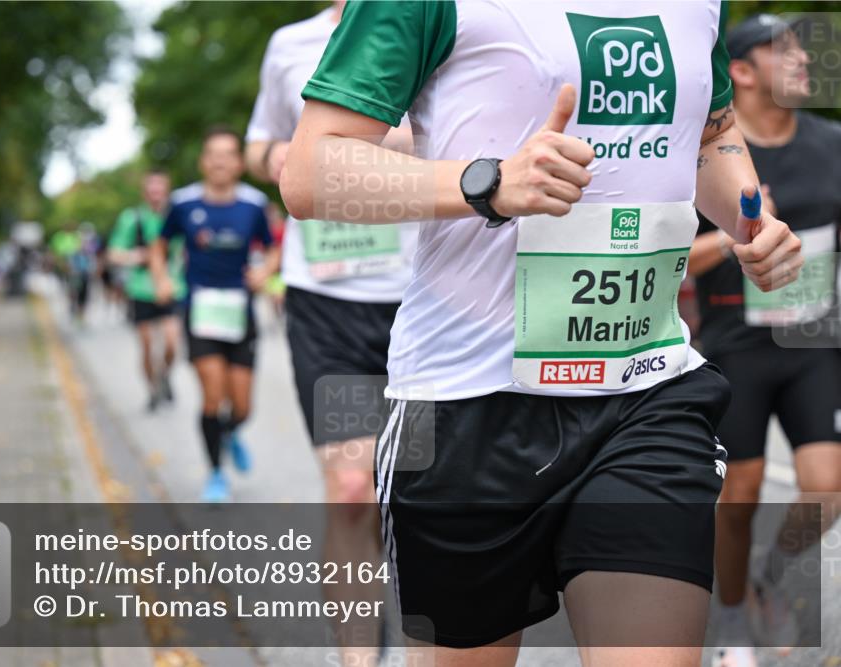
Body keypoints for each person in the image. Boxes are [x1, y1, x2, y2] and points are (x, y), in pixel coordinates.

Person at [280, 1, 805, 665]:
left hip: (646, 388)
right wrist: (488, 183)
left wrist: (749, 220)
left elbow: (709, 135)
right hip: (468, 400)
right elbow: (309, 174)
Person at [245, 6, 416, 657]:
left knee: (410, 487)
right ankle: (358, 653)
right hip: (328, 297)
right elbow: (260, 140)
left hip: (421, 297)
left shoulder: (433, 24)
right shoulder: (292, 43)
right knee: (351, 488)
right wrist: (285, 154)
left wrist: (345, 150)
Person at [686, 14, 841, 667]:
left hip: (814, 342)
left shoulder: (831, 142)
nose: (804, 60)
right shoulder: (711, 155)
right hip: (735, 343)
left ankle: (772, 575)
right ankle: (728, 610)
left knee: (828, 485)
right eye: (784, 52)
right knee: (740, 490)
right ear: (741, 71)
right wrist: (736, 236)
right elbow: (670, 256)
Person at [151, 126, 280, 502]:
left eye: (228, 154)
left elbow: (273, 248)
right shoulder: (184, 203)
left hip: (240, 314)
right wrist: (161, 278)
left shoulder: (253, 205)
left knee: (242, 406)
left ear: (239, 163)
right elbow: (159, 247)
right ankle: (215, 475)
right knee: (212, 396)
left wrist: (265, 271)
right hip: (201, 312)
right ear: (203, 162)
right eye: (213, 154)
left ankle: (229, 431)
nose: (220, 160)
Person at [109, 170, 185, 411]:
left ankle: (165, 375)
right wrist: (138, 256)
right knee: (147, 345)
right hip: (141, 289)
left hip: (172, 287)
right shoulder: (133, 218)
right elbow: (114, 253)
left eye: (160, 190)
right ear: (144, 193)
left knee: (172, 342)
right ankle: (152, 389)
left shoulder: (175, 217)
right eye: (151, 190)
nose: (156, 195)